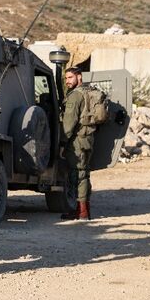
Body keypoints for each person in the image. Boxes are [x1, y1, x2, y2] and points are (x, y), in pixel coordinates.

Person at [61, 66, 94, 220]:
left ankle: (82, 212)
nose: (67, 81)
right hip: (87, 139)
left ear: (79, 77)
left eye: (70, 77)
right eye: (66, 78)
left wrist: (62, 143)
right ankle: (83, 210)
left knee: (78, 176)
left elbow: (68, 124)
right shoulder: (88, 92)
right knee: (84, 174)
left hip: (77, 142)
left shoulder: (75, 96)